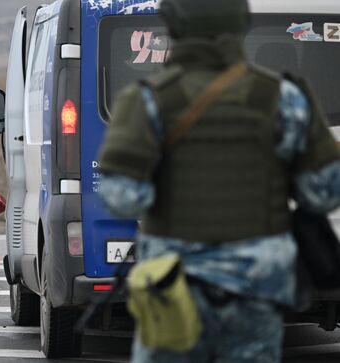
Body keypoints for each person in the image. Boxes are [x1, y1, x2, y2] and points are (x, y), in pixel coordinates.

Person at [97, 0, 340, 362]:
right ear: (242, 25)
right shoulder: (284, 98)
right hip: (256, 284)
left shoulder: (145, 101)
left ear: (174, 28)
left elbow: (121, 198)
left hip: (173, 284)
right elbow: (324, 192)